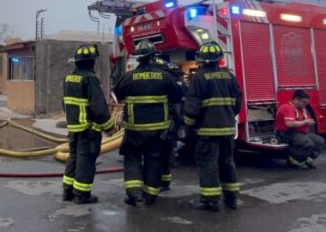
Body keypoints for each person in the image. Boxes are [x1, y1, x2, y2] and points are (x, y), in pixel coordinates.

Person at [114, 42, 182, 206]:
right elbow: (177, 96)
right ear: (153, 57)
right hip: (158, 130)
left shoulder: (128, 77)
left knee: (132, 159)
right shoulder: (165, 77)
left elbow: (117, 93)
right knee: (154, 160)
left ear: (138, 58)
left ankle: (134, 194)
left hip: (134, 130)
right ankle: (150, 195)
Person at [184, 41, 243, 211]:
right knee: (227, 161)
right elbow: (238, 103)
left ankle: (210, 200)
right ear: (219, 59)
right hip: (227, 130)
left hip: (207, 131)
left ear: (202, 60)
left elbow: (192, 107)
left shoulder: (199, 77)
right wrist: (227, 117)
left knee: (208, 163)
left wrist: (189, 128)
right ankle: (231, 198)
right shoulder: (230, 76)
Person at [62, 44, 115, 204]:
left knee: (74, 157)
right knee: (86, 160)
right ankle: (82, 195)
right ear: (92, 62)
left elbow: (65, 104)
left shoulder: (68, 78)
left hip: (74, 128)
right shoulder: (90, 79)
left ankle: (68, 191)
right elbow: (99, 107)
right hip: (88, 129)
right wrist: (109, 127)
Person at [275, 90, 325, 169]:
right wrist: (305, 122)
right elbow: (289, 123)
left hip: (300, 133)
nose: (305, 104)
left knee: (319, 141)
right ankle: (293, 159)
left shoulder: (301, 109)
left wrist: (310, 122)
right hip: (287, 133)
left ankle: (307, 161)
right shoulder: (287, 108)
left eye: (306, 102)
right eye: (303, 102)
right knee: (307, 144)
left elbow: (306, 120)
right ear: (296, 99)